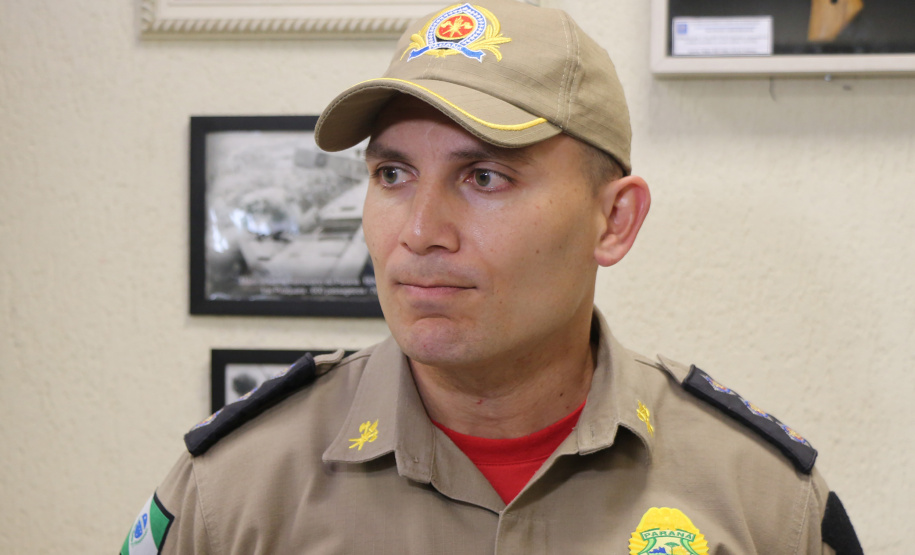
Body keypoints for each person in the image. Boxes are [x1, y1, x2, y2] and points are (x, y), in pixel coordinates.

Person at [119, 1, 862, 553]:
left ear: (614, 222)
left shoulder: (762, 503)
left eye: (483, 176)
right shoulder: (233, 493)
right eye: (392, 172)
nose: (418, 231)